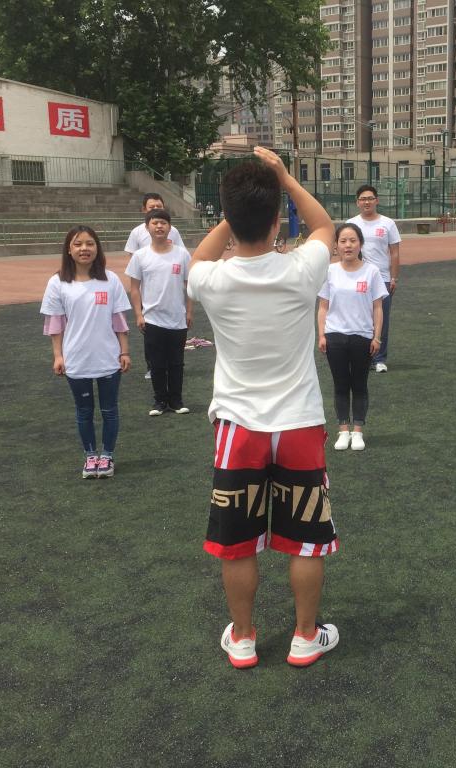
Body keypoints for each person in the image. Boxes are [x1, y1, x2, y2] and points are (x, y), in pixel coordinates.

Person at [187, 146, 339, 669]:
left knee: (238, 543)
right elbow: (324, 225)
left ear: (230, 221)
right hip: (298, 425)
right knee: (305, 542)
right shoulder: (302, 269)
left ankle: (245, 638)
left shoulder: (211, 279)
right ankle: (304, 636)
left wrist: (235, 216)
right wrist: (284, 178)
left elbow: (199, 258)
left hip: (240, 429)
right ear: (277, 221)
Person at [40, 226, 131, 479]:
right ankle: (91, 456)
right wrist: (58, 356)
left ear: (97, 248)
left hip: (108, 358)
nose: (84, 249)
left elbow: (119, 320)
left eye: (90, 243)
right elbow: (56, 324)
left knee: (109, 410)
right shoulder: (58, 282)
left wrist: (124, 352)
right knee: (84, 411)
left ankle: (107, 455)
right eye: (78, 244)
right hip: (76, 358)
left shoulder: (110, 280)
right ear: (68, 250)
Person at [317, 222, 387, 451]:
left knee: (359, 384)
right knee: (340, 385)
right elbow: (323, 306)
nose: (348, 245)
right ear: (336, 246)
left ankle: (357, 432)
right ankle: (343, 430)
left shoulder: (371, 272)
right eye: (343, 241)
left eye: (353, 240)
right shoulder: (330, 271)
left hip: (362, 336)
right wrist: (321, 334)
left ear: (361, 244)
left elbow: (378, 307)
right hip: (335, 336)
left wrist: (377, 337)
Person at [125, 208, 193, 416]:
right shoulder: (140, 256)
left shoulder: (181, 254)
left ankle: (176, 401)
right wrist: (139, 314)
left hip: (177, 318)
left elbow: (189, 285)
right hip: (152, 318)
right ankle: (159, 401)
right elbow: (134, 288)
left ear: (170, 227)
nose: (159, 226)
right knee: (156, 363)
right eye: (155, 223)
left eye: (163, 223)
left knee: (176, 362)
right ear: (147, 228)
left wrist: (189, 312)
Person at [124, 193, 186, 380]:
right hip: (149, 291)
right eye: (152, 207)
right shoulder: (137, 232)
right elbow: (134, 262)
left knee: (172, 334)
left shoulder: (173, 231)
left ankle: (171, 365)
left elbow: (181, 255)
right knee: (151, 333)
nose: (156, 210)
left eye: (159, 206)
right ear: (144, 209)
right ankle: (153, 366)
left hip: (170, 288)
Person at [348, 184, 400, 372]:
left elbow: (394, 253)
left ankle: (379, 359)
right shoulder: (351, 224)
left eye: (370, 198)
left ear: (377, 200)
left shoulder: (388, 223)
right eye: (363, 199)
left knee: (381, 319)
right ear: (357, 202)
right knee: (359, 318)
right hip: (358, 278)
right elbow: (346, 250)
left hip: (382, 279)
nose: (366, 202)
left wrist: (394, 278)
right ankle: (361, 358)